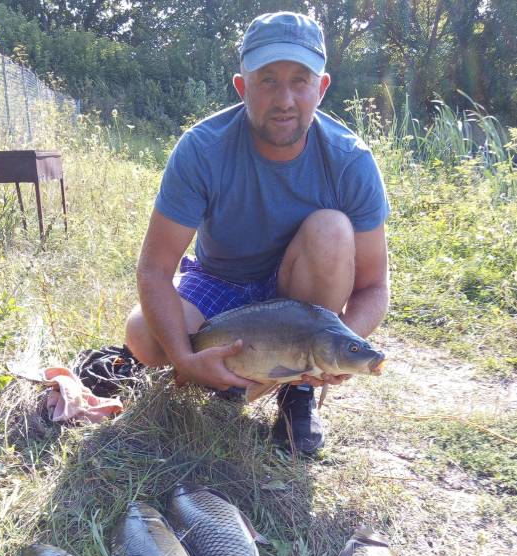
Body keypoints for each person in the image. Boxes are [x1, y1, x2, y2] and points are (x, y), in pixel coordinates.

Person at [125, 10, 390, 455]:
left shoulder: (350, 159)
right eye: (267, 80)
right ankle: (217, 374)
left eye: (300, 80)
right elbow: (154, 269)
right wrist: (185, 360)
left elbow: (374, 286)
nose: (285, 99)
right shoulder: (202, 148)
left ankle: (297, 392)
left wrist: (337, 347)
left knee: (331, 230)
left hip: (301, 301)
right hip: (219, 281)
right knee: (144, 336)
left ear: (321, 89)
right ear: (242, 86)